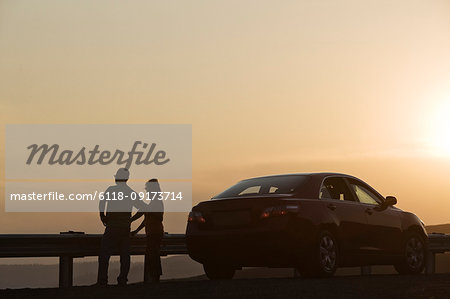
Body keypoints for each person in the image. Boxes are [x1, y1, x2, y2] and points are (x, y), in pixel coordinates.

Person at [97, 168, 147, 287]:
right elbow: (143, 208)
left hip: (112, 227)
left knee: (104, 254)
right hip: (125, 228)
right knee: (125, 256)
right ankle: (123, 280)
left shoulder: (111, 190)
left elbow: (102, 202)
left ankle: (103, 281)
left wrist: (102, 216)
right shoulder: (131, 193)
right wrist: (131, 220)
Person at [131, 178, 164, 283]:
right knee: (152, 254)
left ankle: (155, 277)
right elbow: (146, 219)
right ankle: (154, 277)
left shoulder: (157, 201)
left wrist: (147, 210)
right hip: (151, 232)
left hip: (155, 232)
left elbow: (159, 217)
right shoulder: (152, 202)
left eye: (148, 189)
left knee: (152, 254)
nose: (146, 191)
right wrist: (136, 230)